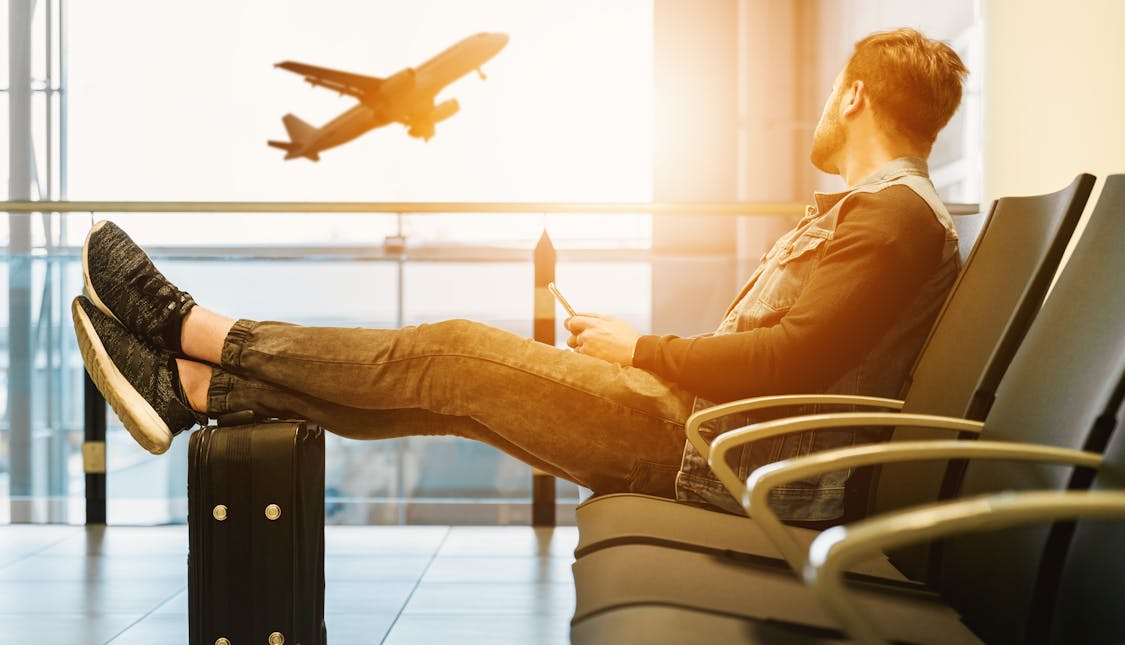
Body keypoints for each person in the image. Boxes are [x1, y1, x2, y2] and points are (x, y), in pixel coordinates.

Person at [73, 28, 968, 522]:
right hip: (710, 441)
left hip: (713, 456)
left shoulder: (890, 218)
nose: (820, 110)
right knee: (452, 395)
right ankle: (193, 389)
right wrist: (644, 355)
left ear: (852, 95)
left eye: (828, 95)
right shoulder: (884, 216)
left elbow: (792, 362)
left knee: (452, 353)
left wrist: (644, 348)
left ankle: (189, 328)